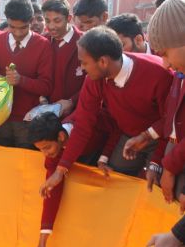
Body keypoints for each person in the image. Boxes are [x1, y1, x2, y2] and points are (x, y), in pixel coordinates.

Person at [40, 26, 172, 194]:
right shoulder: (94, 79)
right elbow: (82, 125)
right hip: (129, 136)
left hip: (161, 137)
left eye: (84, 62)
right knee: (114, 177)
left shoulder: (159, 73)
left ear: (103, 61)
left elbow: (171, 122)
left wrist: (155, 162)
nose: (82, 68)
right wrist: (61, 170)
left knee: (155, 185)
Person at [27, 112, 113, 247]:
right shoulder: (53, 153)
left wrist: (104, 157)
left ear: (61, 136)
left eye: (47, 147)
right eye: (41, 150)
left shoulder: (89, 123)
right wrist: (42, 243)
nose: (45, 154)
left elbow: (116, 126)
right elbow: (52, 193)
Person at [125, 0, 185, 208]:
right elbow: (171, 121)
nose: (166, 64)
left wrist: (168, 167)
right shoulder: (179, 75)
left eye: (166, 54)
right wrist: (146, 137)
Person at [0, 0, 54, 149]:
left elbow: (46, 86)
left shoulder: (43, 46)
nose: (17, 32)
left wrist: (20, 80)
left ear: (32, 21)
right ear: (6, 20)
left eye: (22, 28)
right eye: (12, 27)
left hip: (27, 121)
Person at [41, 0, 84, 118]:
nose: (52, 26)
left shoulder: (85, 41)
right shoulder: (43, 41)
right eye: (47, 21)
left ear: (69, 18)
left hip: (76, 112)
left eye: (57, 20)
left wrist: (72, 101)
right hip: (46, 112)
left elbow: (94, 81)